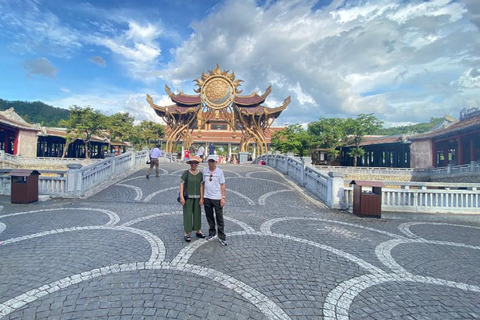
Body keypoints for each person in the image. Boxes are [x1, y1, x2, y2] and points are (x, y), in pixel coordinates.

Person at [202, 154, 227, 245]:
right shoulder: (205, 171)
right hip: (207, 197)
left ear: (216, 162)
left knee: (219, 217)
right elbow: (203, 184)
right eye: (209, 161)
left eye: (213, 161)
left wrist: (223, 198)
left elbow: (222, 185)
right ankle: (212, 232)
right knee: (209, 216)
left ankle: (222, 236)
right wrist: (202, 197)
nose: (211, 163)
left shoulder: (219, 172)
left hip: (217, 197)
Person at [180, 155, 206, 242]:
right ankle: (187, 232)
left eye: (195, 163)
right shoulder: (186, 173)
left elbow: (201, 186)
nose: (194, 164)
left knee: (197, 214)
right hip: (188, 198)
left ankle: (198, 230)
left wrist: (202, 198)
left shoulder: (200, 174)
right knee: (187, 214)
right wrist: (181, 197)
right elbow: (182, 184)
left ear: (197, 164)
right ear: (190, 164)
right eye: (192, 163)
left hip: (197, 198)